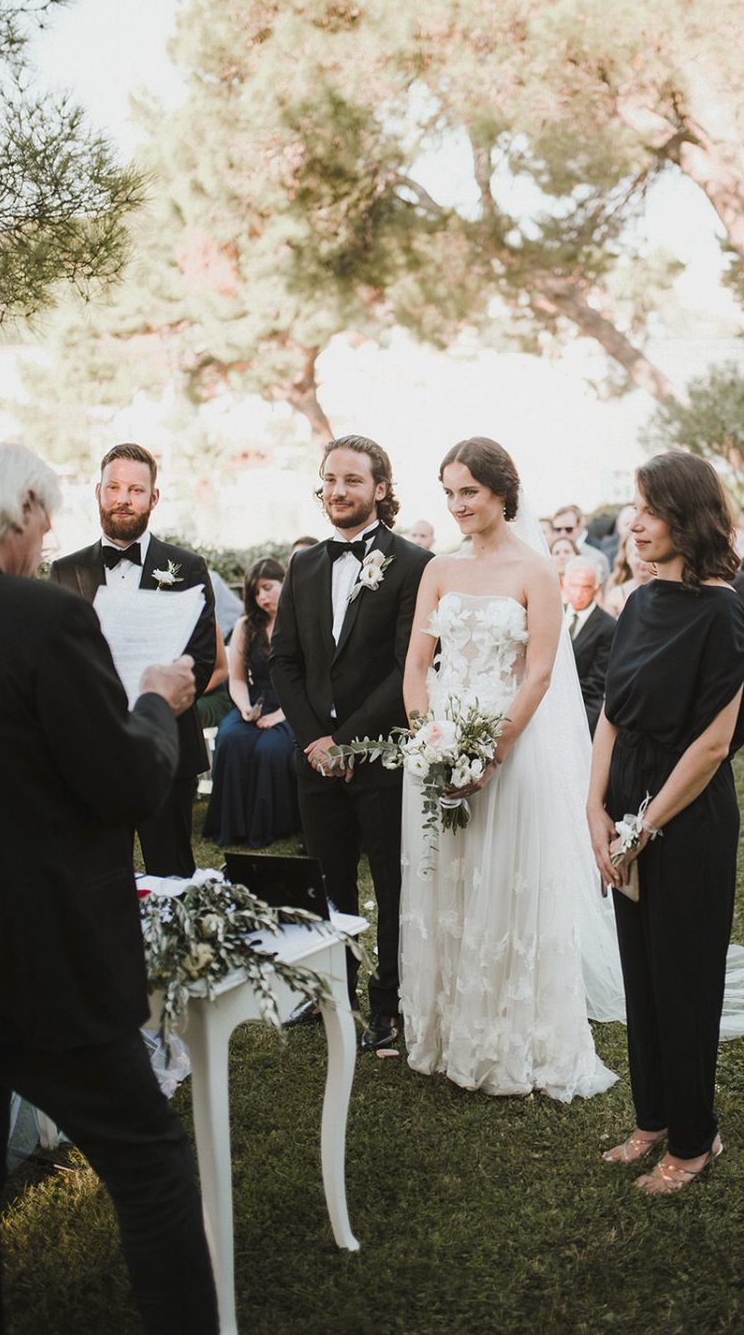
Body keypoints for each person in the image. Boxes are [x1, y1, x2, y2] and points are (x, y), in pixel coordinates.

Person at [0, 443, 218, 1335]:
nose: (47, 539)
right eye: (43, 519)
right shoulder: (44, 616)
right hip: (42, 952)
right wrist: (157, 701)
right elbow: (123, 784)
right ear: (21, 510)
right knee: (151, 1163)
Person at [399, 437, 621, 1099]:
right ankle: (444, 1035)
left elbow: (543, 672)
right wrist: (428, 739)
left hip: (510, 748)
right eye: (448, 492)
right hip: (441, 745)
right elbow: (417, 664)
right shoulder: (438, 568)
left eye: (468, 490)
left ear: (502, 491)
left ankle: (502, 1038)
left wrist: (491, 751)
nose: (457, 504)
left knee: (504, 882)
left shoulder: (534, 572)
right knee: (450, 884)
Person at [588, 451, 744, 1195]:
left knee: (683, 980)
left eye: (650, 509)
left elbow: (714, 744)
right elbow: (612, 714)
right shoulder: (639, 600)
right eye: (634, 506)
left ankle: (694, 1140)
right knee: (641, 976)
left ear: (687, 517)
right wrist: (595, 807)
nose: (637, 522)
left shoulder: (723, 611)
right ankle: (650, 1119)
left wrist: (642, 829)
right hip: (623, 803)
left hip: (686, 819)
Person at [269, 436, 431, 1051]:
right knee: (327, 881)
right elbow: (284, 661)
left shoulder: (414, 563)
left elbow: (406, 668)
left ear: (380, 489)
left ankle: (388, 1007)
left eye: (353, 481)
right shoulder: (303, 565)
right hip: (316, 758)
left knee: (391, 886)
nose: (338, 491)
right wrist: (316, 740)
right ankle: (329, 988)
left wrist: (348, 740)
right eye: (330, 479)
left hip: (383, 755)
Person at [49, 442, 216, 879]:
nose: (123, 498)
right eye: (114, 487)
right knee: (99, 877)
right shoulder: (64, 571)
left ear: (153, 498)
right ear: (98, 492)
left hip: (169, 745)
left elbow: (201, 657)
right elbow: (57, 660)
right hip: (92, 749)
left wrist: (159, 699)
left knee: (173, 875)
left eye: (136, 490)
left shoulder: (188, 566)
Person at [203, 557, 299, 850]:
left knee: (269, 749)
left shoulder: (300, 622)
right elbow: (238, 678)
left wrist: (280, 716)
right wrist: (244, 707)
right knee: (231, 738)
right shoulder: (246, 625)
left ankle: (273, 826)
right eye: (256, 592)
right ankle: (233, 827)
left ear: (284, 583)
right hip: (255, 699)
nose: (262, 598)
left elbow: (310, 683)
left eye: (268, 588)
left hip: (292, 704)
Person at [563, 555, 616, 736]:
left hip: (584, 707)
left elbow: (597, 682)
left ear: (597, 589)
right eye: (574, 586)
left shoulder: (608, 627)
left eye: (585, 587)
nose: (578, 593)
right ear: (564, 584)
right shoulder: (554, 614)